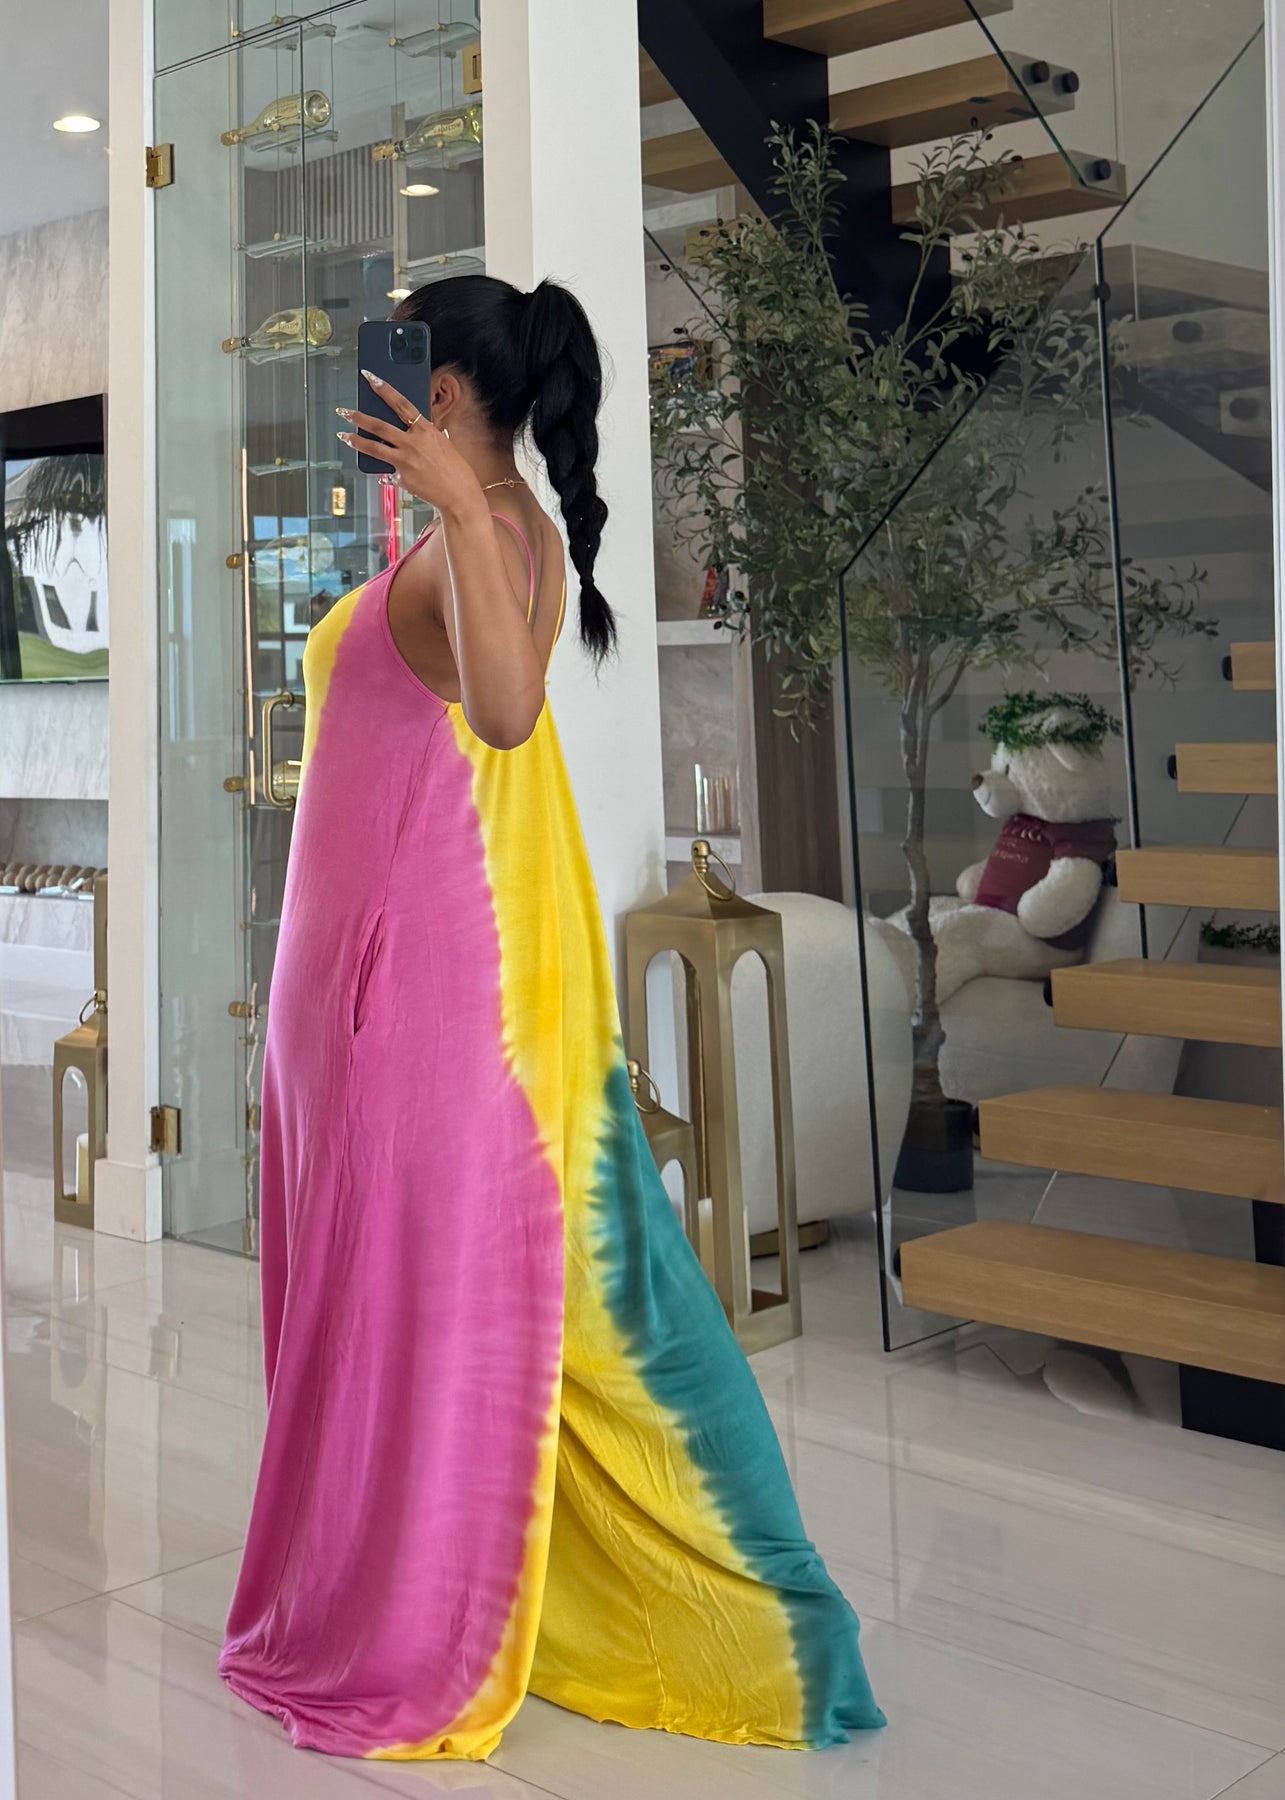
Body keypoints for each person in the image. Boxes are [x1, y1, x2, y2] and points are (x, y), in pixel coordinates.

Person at [218, 274, 883, 1761]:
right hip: (361, 988)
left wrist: (458, 501)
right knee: (386, 1298)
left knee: (437, 1304)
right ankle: (382, 1589)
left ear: (445, 390)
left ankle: (415, 1625)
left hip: (408, 993)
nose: (375, 387)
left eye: (397, 362)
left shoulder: (491, 528)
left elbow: (508, 714)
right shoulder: (482, 527)